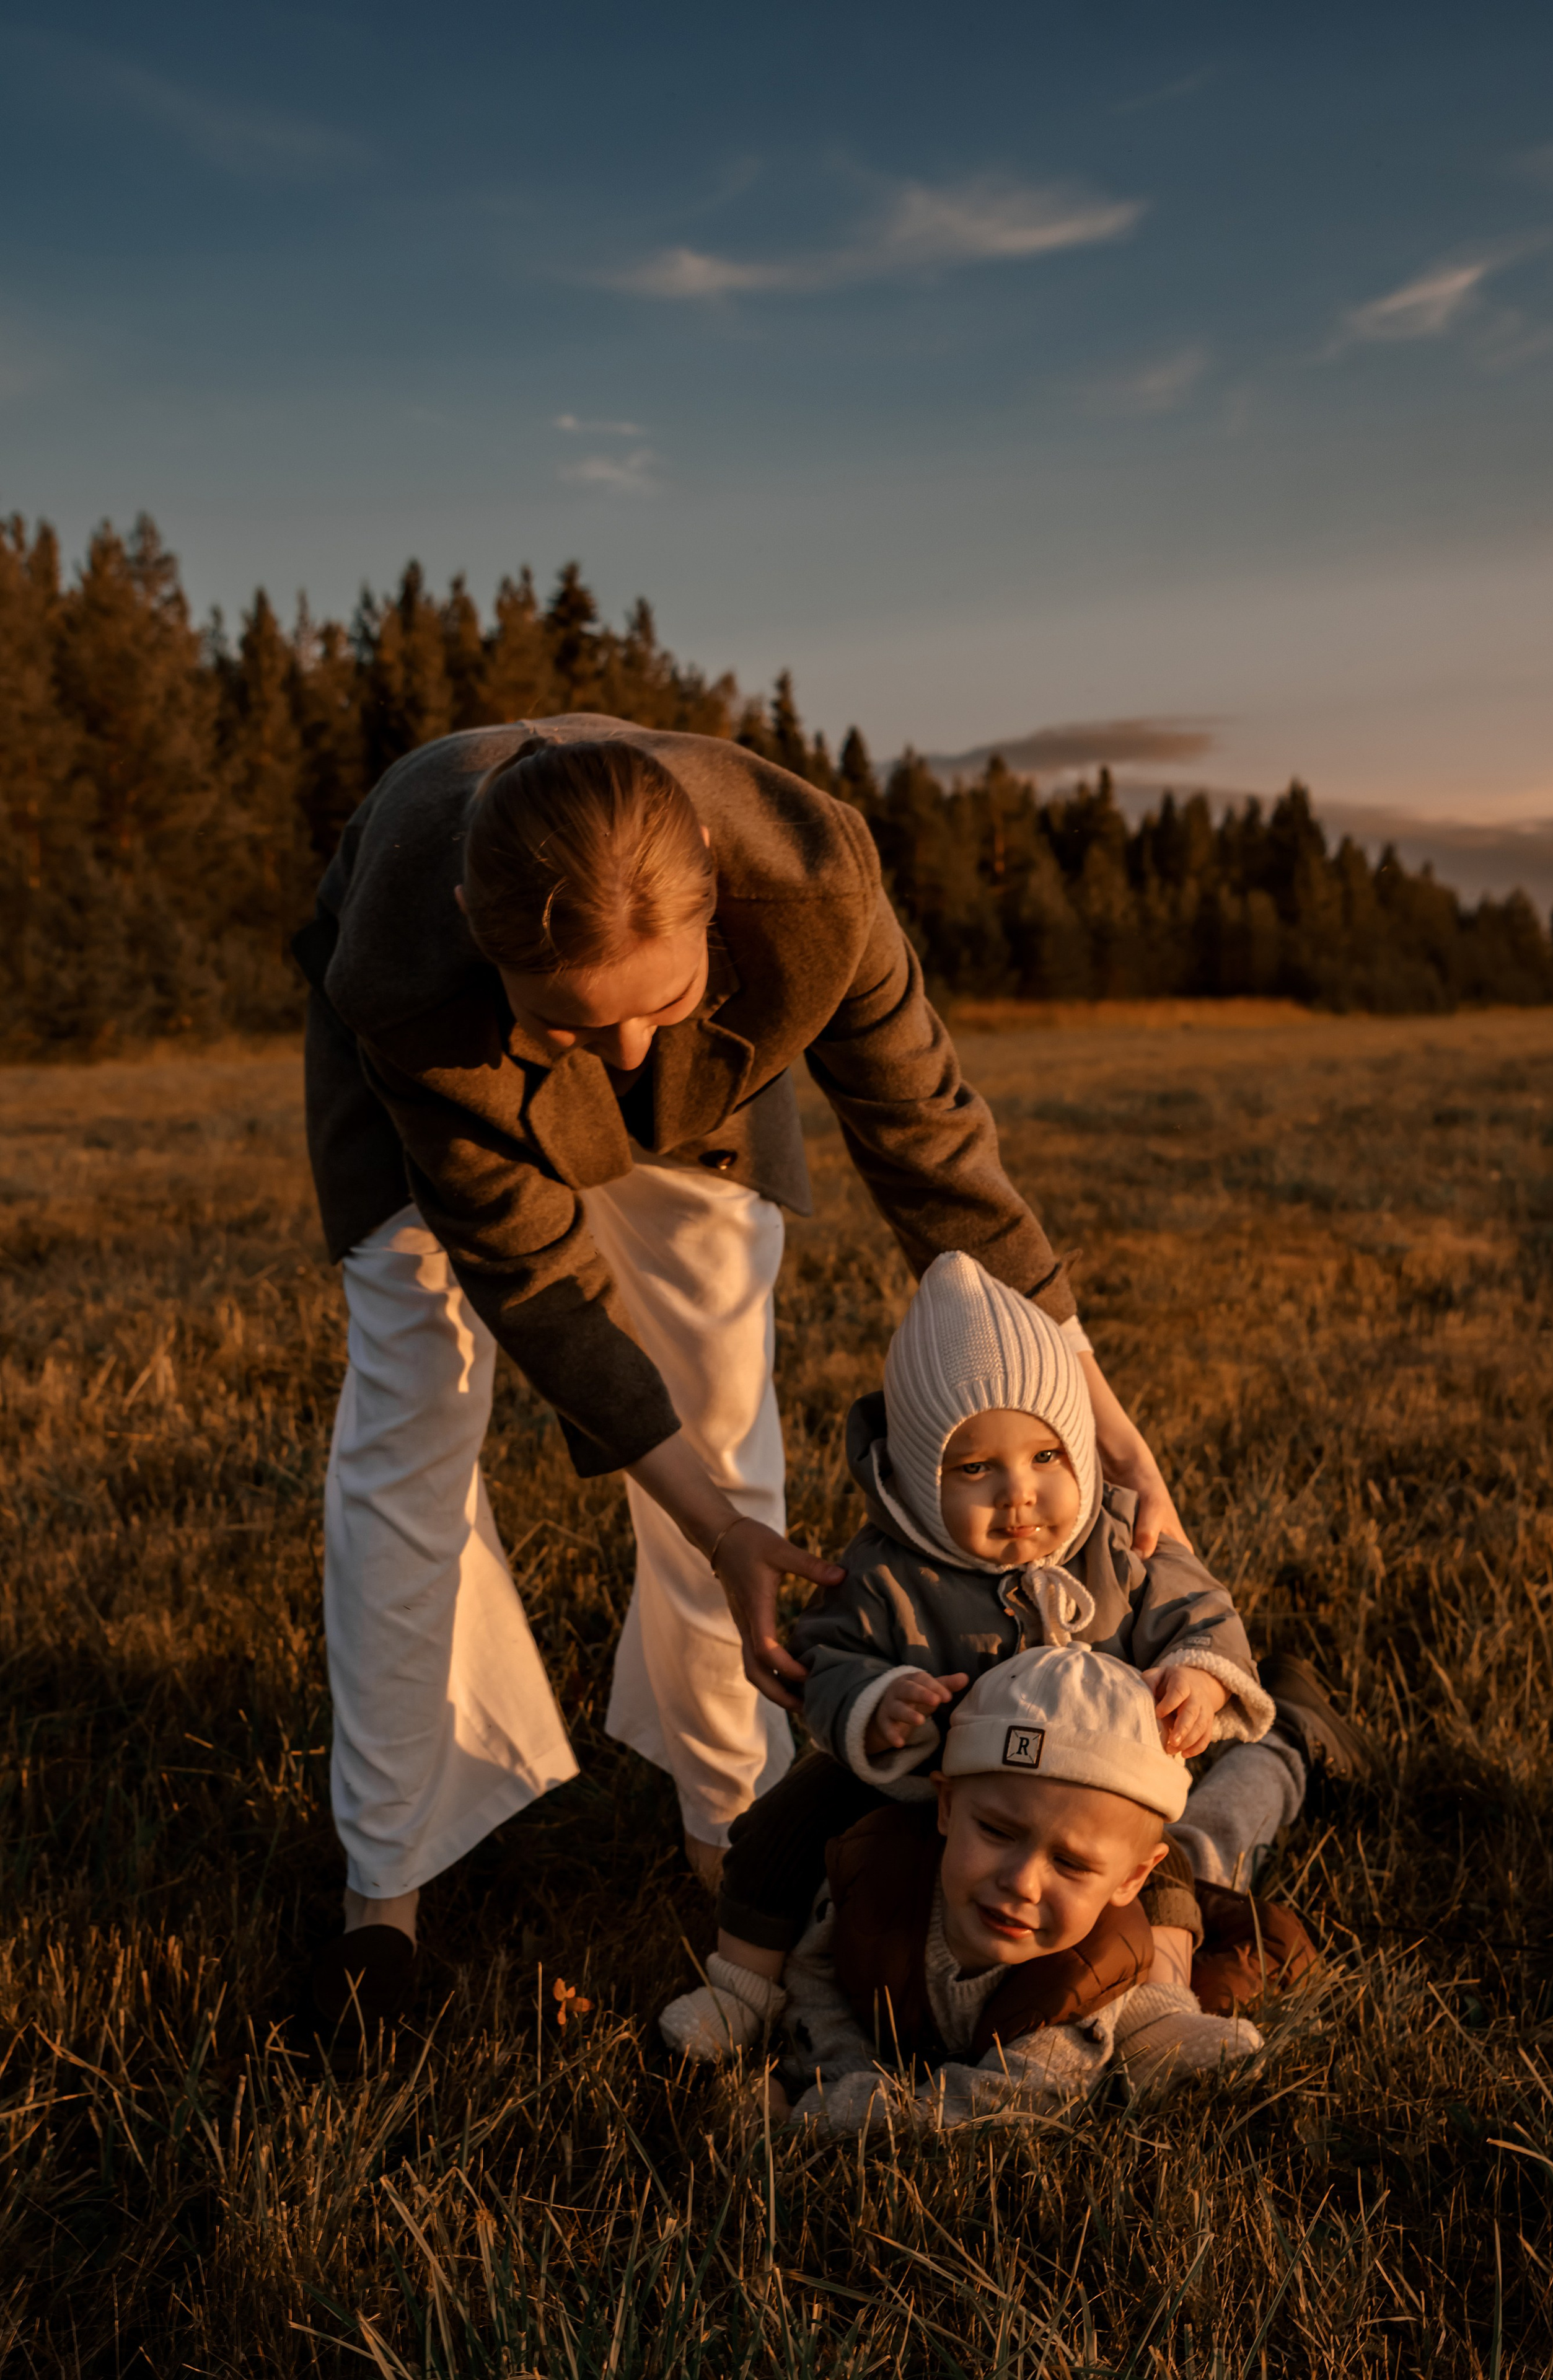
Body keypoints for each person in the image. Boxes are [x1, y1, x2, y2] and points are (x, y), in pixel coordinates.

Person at [293, 718, 1187, 2022]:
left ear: (713, 875)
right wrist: (716, 1535)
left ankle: (730, 1821)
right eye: (579, 1023)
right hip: (436, 1079)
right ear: (475, 930)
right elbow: (537, 1286)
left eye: (657, 1006)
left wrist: (1099, 1411)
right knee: (411, 1419)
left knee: (721, 1419)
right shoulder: (408, 966)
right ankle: (386, 1885)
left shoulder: (815, 884)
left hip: (716, 1090)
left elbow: (931, 1152)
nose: (626, 1056)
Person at [659, 1252, 1333, 2067]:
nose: (1018, 1493)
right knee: (783, 1825)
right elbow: (826, 1653)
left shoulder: (1118, 1541)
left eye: (1046, 1458)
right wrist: (878, 1699)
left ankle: (1156, 2009)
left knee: (1154, 1865)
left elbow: (1201, 1609)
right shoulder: (885, 1571)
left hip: (1086, 1779)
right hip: (923, 1779)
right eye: (974, 1468)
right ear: (915, 1478)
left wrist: (1197, 1669)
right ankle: (743, 1988)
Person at [772, 1645, 1269, 2136]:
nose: (1022, 1882)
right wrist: (847, 2067)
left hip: (1168, 1917)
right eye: (996, 1832)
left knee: (1218, 1839)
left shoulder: (1088, 1974)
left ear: (1131, 1879)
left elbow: (1004, 2108)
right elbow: (815, 1980)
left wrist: (819, 2111)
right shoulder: (881, 1868)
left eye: (1070, 1863)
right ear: (946, 1806)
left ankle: (1284, 1743)